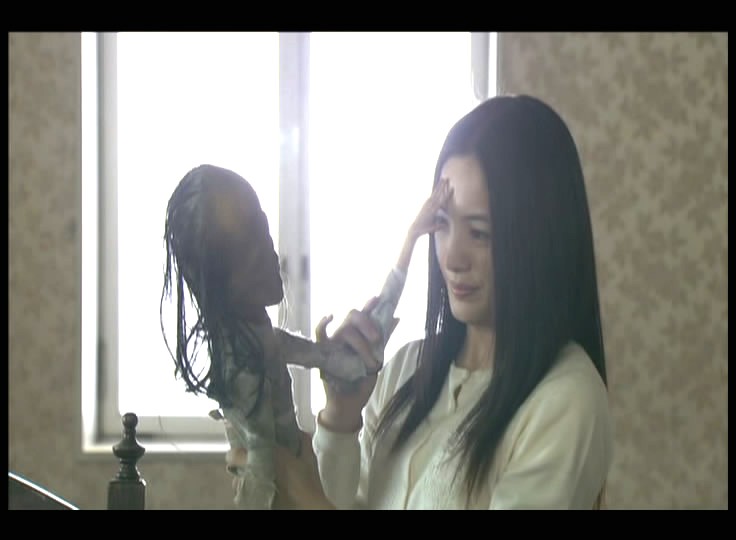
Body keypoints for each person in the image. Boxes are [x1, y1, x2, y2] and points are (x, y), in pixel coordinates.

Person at [226, 94, 614, 510]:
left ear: (540, 239)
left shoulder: (566, 399)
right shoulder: (405, 371)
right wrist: (340, 419)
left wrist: (299, 488)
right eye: (442, 224)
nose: (452, 258)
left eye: (479, 233)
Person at [160, 164, 405, 509]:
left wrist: (333, 363)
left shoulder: (262, 342)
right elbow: (266, 461)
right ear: (216, 282)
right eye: (244, 246)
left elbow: (295, 350)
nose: (268, 251)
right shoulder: (242, 369)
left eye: (263, 228)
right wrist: (335, 425)